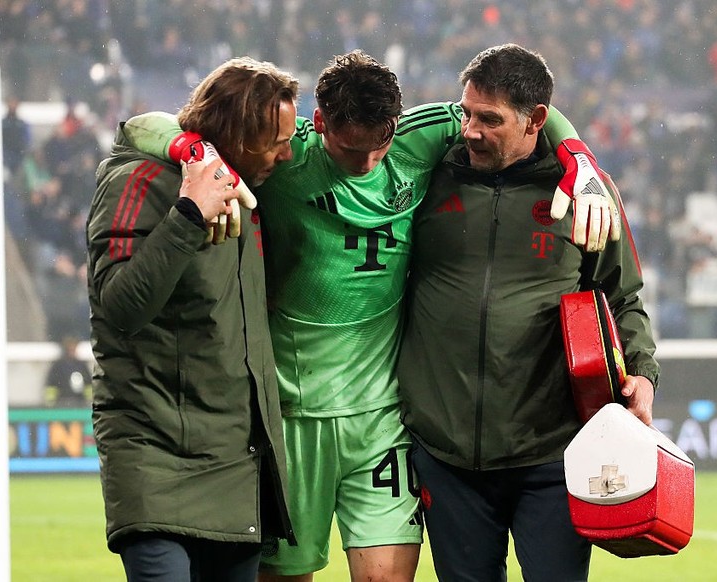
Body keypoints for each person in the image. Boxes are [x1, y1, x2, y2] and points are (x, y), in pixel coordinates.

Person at [123, 49, 617, 582]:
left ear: (396, 126)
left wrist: (578, 155)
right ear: (319, 125)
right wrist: (190, 148)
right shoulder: (283, 157)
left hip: (381, 418)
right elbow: (137, 128)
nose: (364, 164)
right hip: (291, 416)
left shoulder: (425, 135)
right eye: (348, 149)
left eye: (378, 148)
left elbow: (532, 111)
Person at [397, 44, 660, 581]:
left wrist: (645, 374)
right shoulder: (426, 177)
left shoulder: (586, 193)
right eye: (466, 112)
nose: (469, 129)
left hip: (552, 451)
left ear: (536, 120)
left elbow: (621, 295)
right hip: (446, 456)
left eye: (489, 120)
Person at [86, 57, 299, 581]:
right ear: (235, 131)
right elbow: (119, 306)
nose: (286, 153)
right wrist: (188, 213)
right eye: (274, 139)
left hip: (233, 459)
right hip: (154, 451)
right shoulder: (140, 179)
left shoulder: (248, 190)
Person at [43, 336, 91, 408]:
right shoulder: (58, 366)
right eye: (70, 348)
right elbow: (51, 385)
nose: (72, 350)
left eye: (73, 348)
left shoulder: (81, 366)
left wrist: (89, 401)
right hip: (61, 403)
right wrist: (51, 403)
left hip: (79, 404)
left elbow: (88, 384)